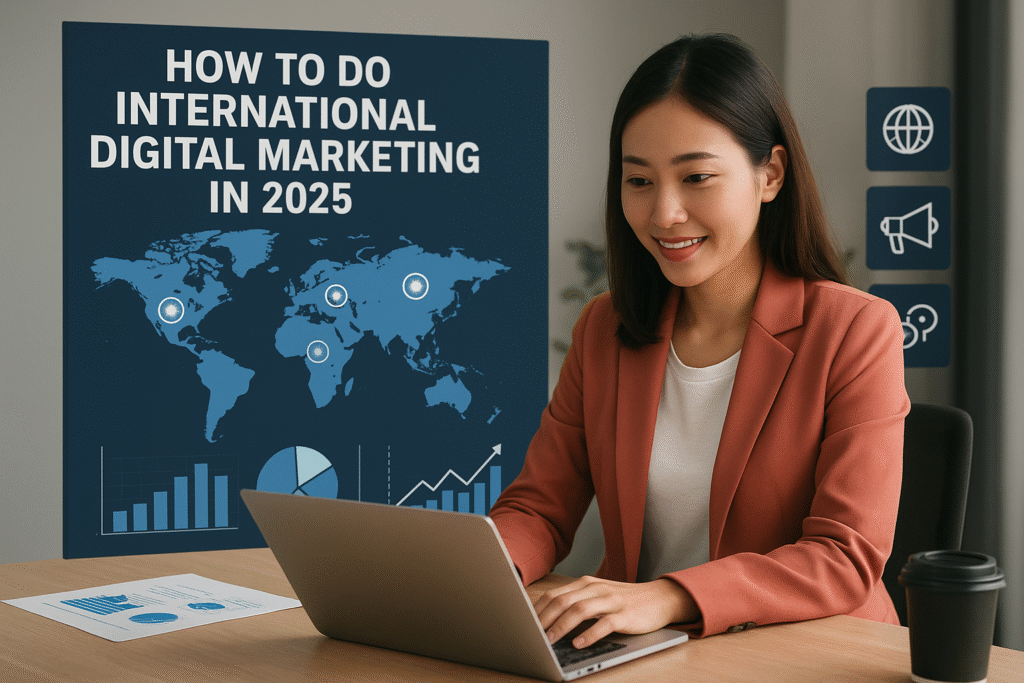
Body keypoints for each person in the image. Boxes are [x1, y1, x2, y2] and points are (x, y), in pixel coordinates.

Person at [488, 33, 909, 649]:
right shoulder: (605, 328)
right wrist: (473, 577)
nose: (664, 214)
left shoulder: (856, 330)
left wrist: (667, 596)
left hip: (809, 654)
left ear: (770, 174)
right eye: (638, 181)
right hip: (649, 656)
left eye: (697, 178)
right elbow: (540, 509)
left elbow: (842, 556)